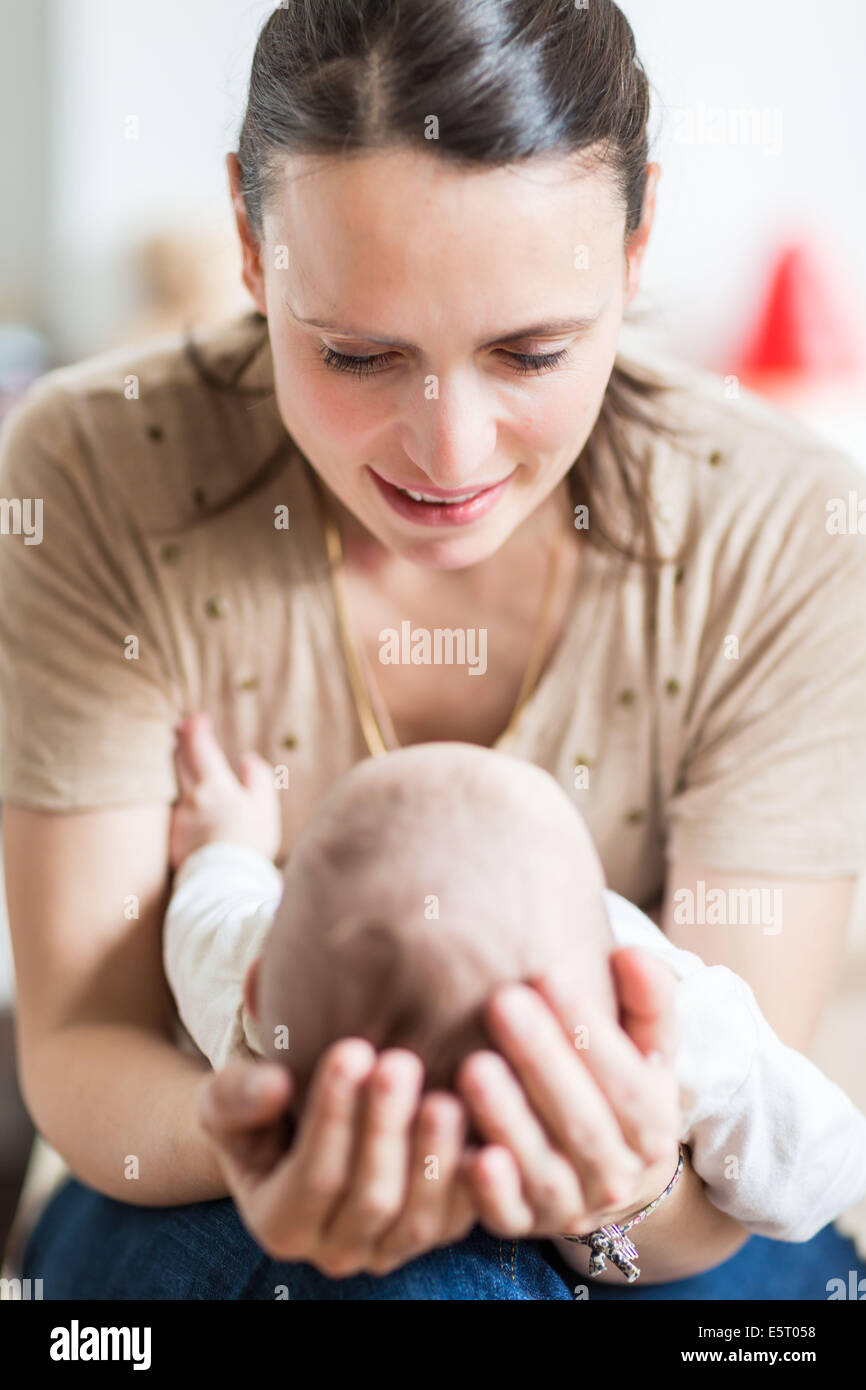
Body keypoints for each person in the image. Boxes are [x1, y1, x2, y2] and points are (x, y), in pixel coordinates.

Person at [2, 0, 865, 1299]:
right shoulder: (96, 472)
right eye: (357, 352)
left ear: (633, 248)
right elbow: (84, 1040)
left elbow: (734, 1160)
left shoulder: (780, 531)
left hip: (659, 1225)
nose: (448, 455)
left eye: (530, 351)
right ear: (248, 236)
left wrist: (607, 1190)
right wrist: (262, 1135)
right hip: (187, 1168)